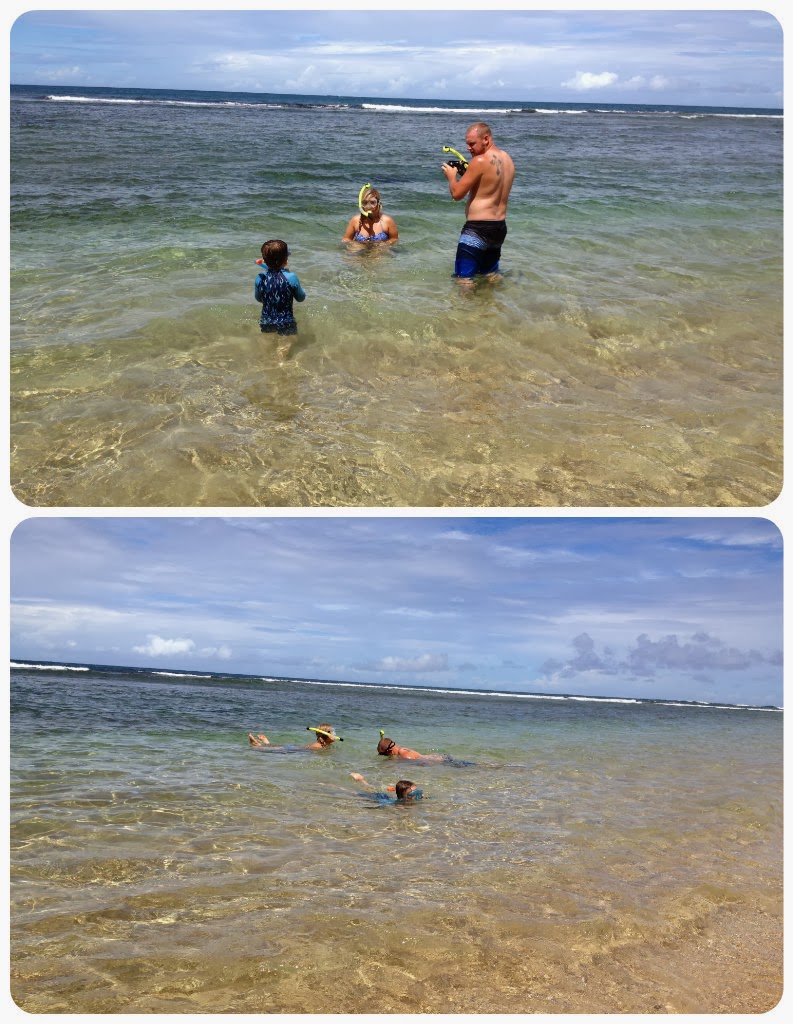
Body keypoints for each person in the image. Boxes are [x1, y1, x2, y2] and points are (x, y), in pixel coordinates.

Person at [441, 121, 515, 279]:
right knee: (490, 275)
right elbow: (489, 186)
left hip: (478, 229)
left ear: (486, 139)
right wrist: (467, 175)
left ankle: (462, 305)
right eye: (467, 144)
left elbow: (457, 194)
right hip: (499, 228)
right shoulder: (508, 159)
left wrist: (451, 176)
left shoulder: (479, 161)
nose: (468, 148)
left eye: (472, 144)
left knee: (463, 279)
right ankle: (493, 303)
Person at [254, 239, 306, 339]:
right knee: (285, 345)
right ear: (286, 260)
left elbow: (258, 299)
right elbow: (301, 298)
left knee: (267, 343)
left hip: (266, 320)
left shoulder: (260, 278)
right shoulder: (291, 277)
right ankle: (280, 355)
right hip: (286, 321)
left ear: (264, 260)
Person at [248, 723, 339, 750]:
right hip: (293, 749)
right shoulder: (318, 746)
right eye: (332, 732)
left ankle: (267, 743)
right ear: (326, 735)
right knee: (279, 749)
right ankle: (257, 746)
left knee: (278, 747)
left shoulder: (325, 745)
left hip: (294, 748)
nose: (334, 734)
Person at [349, 772, 423, 802]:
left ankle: (362, 780)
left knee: (371, 789)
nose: (417, 795)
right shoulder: (397, 804)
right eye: (413, 793)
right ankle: (361, 779)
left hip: (387, 796)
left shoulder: (415, 799)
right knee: (360, 793)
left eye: (417, 791)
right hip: (381, 797)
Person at [376, 735, 447, 762]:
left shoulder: (405, 755)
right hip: (441, 757)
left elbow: (423, 764)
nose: (385, 756)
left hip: (444, 761)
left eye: (384, 754)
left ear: (390, 751)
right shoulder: (401, 750)